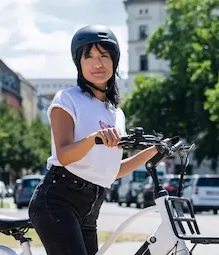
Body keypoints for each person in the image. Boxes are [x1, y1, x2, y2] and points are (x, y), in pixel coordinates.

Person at [28, 25, 163, 255]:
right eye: (88, 56)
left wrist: (152, 151)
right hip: (57, 201)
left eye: (104, 56)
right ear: (79, 63)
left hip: (90, 208)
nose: (97, 63)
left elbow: (110, 170)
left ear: (114, 61)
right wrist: (93, 139)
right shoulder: (67, 99)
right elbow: (64, 154)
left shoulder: (116, 113)